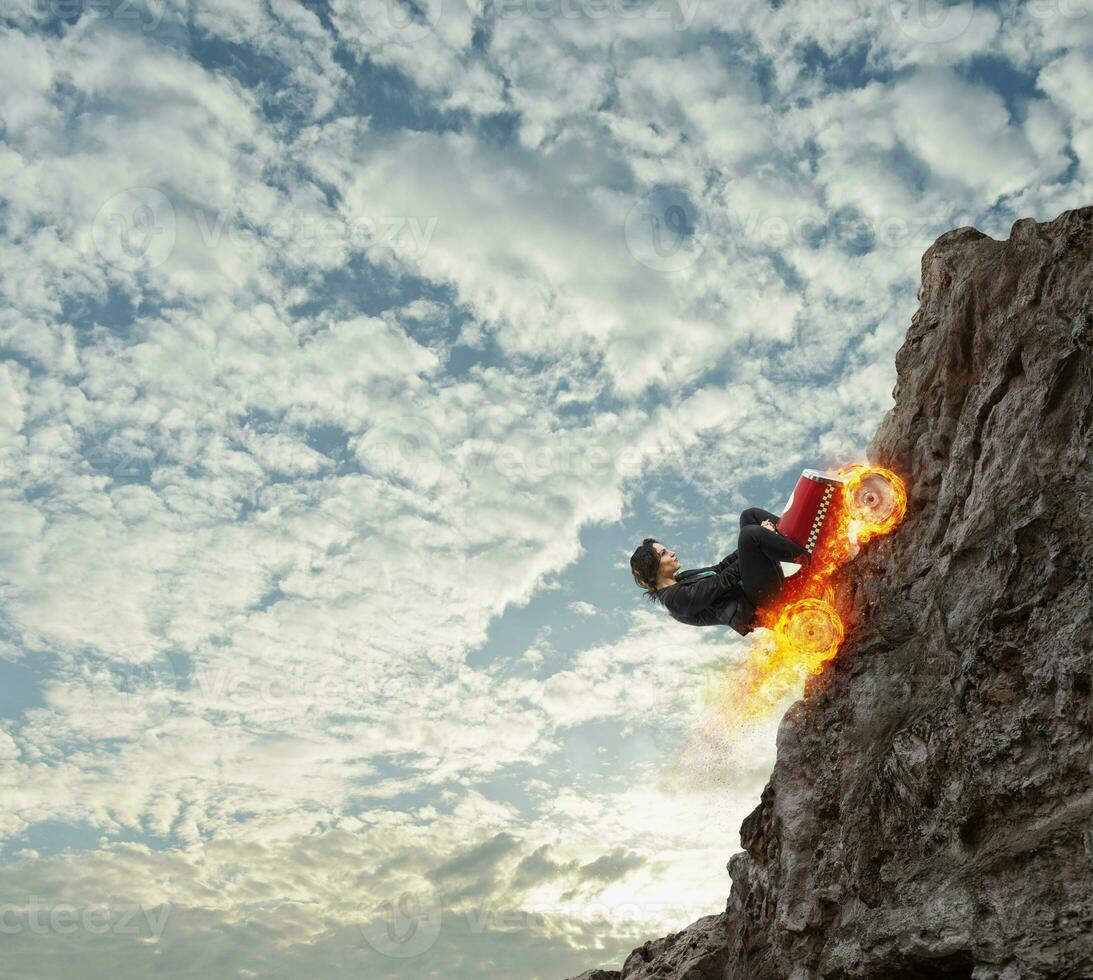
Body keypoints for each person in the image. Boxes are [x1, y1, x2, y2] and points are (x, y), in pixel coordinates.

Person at [629, 507, 811, 636]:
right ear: (654, 570)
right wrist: (755, 542)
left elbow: (720, 568)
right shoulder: (675, 600)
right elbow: (724, 580)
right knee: (749, 535)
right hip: (761, 606)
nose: (672, 552)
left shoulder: (681, 579)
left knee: (749, 517)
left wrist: (757, 541)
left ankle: (803, 540)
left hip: (752, 590)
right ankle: (809, 557)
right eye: (664, 554)